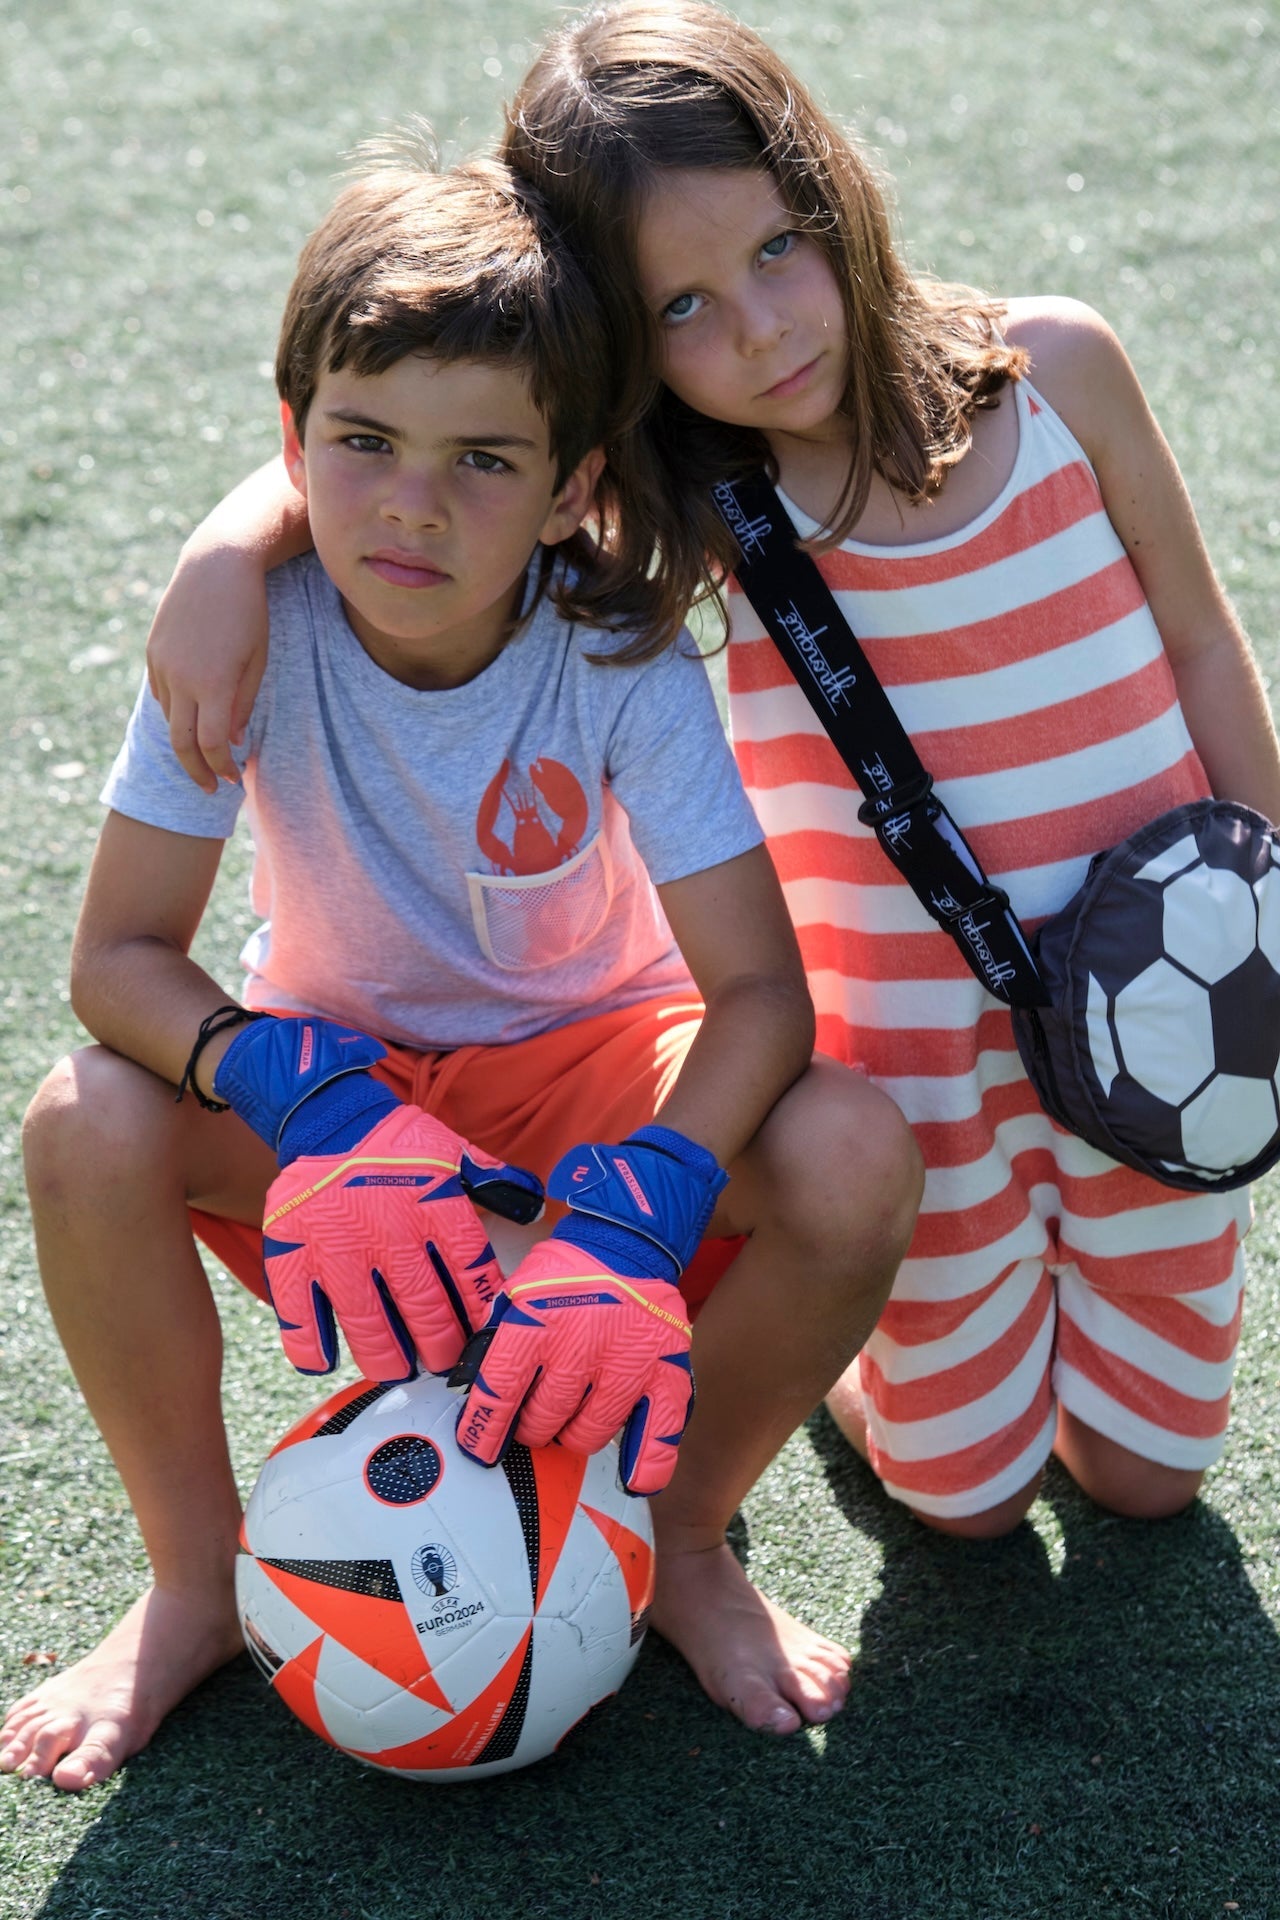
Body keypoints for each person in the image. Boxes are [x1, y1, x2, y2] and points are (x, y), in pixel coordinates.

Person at [135, 6, 1275, 1538]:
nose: (760, 328)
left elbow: (1200, 637)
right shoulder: (682, 510)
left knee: (1145, 1481)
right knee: (969, 1508)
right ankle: (852, 1381)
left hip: (1168, 1019)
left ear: (833, 191)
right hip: (918, 1079)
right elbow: (422, 436)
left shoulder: (1057, 368)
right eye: (681, 304)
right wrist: (229, 550)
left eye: (779, 247)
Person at [1, 151, 924, 1793]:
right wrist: (309, 1097)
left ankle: (679, 1538)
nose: (412, 504)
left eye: (482, 461)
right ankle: (192, 1581)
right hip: (342, 1124)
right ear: (294, 443)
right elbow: (118, 960)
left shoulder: (620, 647)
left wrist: (644, 1202)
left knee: (851, 1152)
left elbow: (759, 997)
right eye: (364, 444)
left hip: (587, 1094)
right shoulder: (238, 630)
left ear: (573, 489)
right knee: (85, 1124)